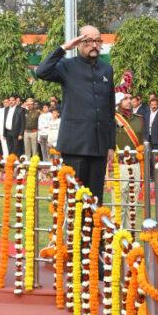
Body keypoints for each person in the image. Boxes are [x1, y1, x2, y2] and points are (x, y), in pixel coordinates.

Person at [34, 25, 115, 203]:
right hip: (75, 145)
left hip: (99, 145)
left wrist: (111, 145)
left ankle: (95, 231)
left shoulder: (106, 69)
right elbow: (41, 71)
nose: (94, 45)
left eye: (97, 41)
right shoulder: (67, 66)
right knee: (75, 199)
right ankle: (75, 231)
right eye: (88, 41)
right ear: (79, 43)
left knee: (95, 199)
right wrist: (64, 48)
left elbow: (109, 108)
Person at [114, 91, 144, 227]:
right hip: (120, 165)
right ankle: (116, 238)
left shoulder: (139, 119)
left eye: (130, 98)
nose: (128, 100)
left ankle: (129, 237)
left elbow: (143, 141)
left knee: (133, 204)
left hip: (136, 164)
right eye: (125, 98)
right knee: (119, 204)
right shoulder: (113, 118)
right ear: (119, 101)